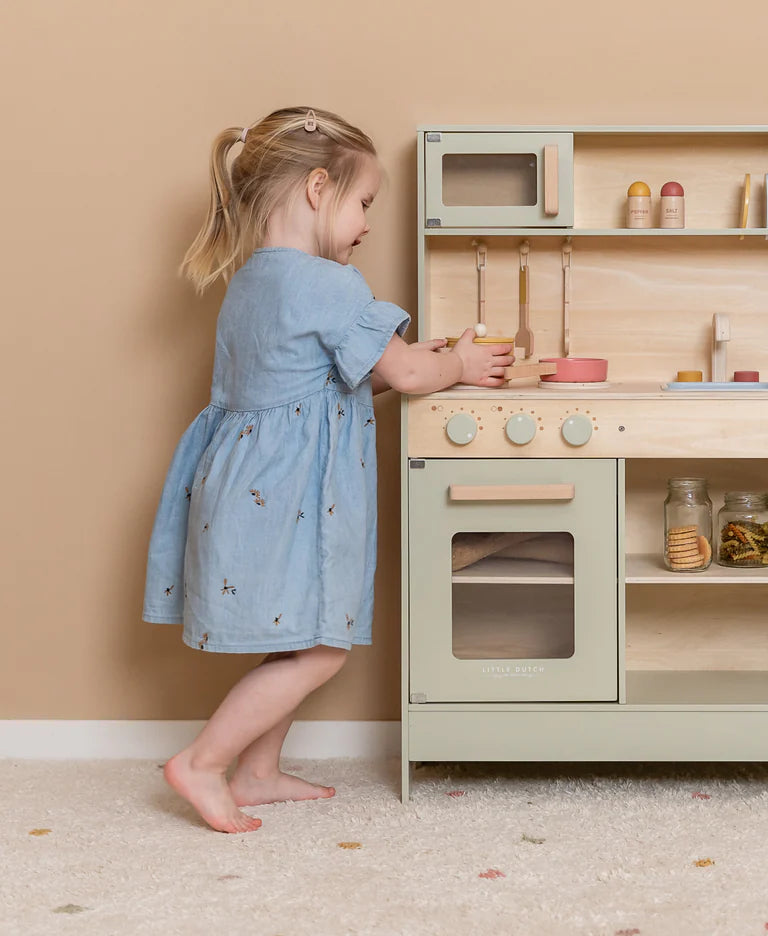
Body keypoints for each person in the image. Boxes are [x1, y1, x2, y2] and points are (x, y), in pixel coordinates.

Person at [142, 106, 513, 833]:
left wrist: (413, 361)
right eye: (363, 203)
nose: (367, 224)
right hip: (292, 497)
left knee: (298, 633)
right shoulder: (329, 284)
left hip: (244, 485)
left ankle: (257, 773)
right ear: (318, 189)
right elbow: (406, 375)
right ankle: (204, 762)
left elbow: (319, 383)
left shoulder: (251, 281)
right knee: (320, 649)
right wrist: (459, 364)